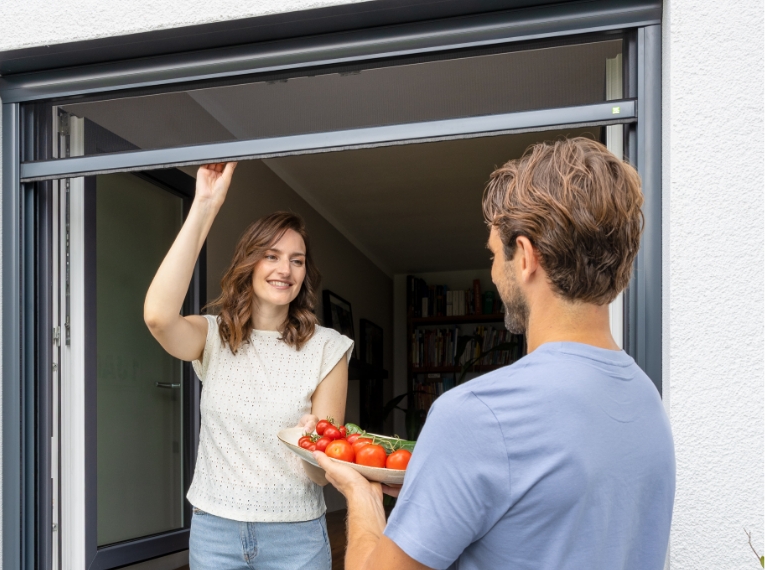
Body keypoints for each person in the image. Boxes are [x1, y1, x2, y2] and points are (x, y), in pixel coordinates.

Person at [314, 138, 676, 570]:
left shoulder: (479, 414)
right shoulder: (645, 398)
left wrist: (362, 495)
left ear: (524, 257)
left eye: (492, 254)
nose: (491, 269)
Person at [144, 162, 353, 570]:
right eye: (271, 256)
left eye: (297, 260)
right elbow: (157, 317)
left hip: (295, 537)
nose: (285, 270)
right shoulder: (214, 337)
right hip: (215, 531)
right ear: (249, 263)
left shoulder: (328, 348)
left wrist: (312, 447)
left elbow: (321, 476)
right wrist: (204, 206)